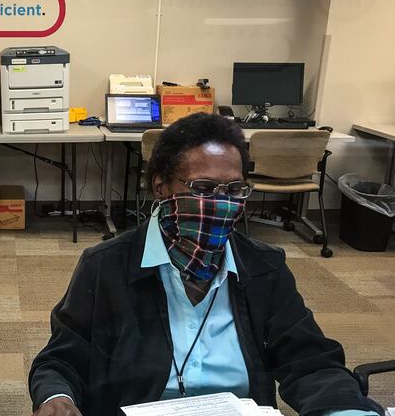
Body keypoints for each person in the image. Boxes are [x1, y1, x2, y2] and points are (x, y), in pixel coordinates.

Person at [28, 113, 383, 416]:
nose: (221, 204)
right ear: (161, 186)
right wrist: (56, 396)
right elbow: (62, 359)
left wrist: (344, 407)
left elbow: (310, 362)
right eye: (203, 188)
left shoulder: (264, 267)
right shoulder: (106, 266)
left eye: (234, 190)